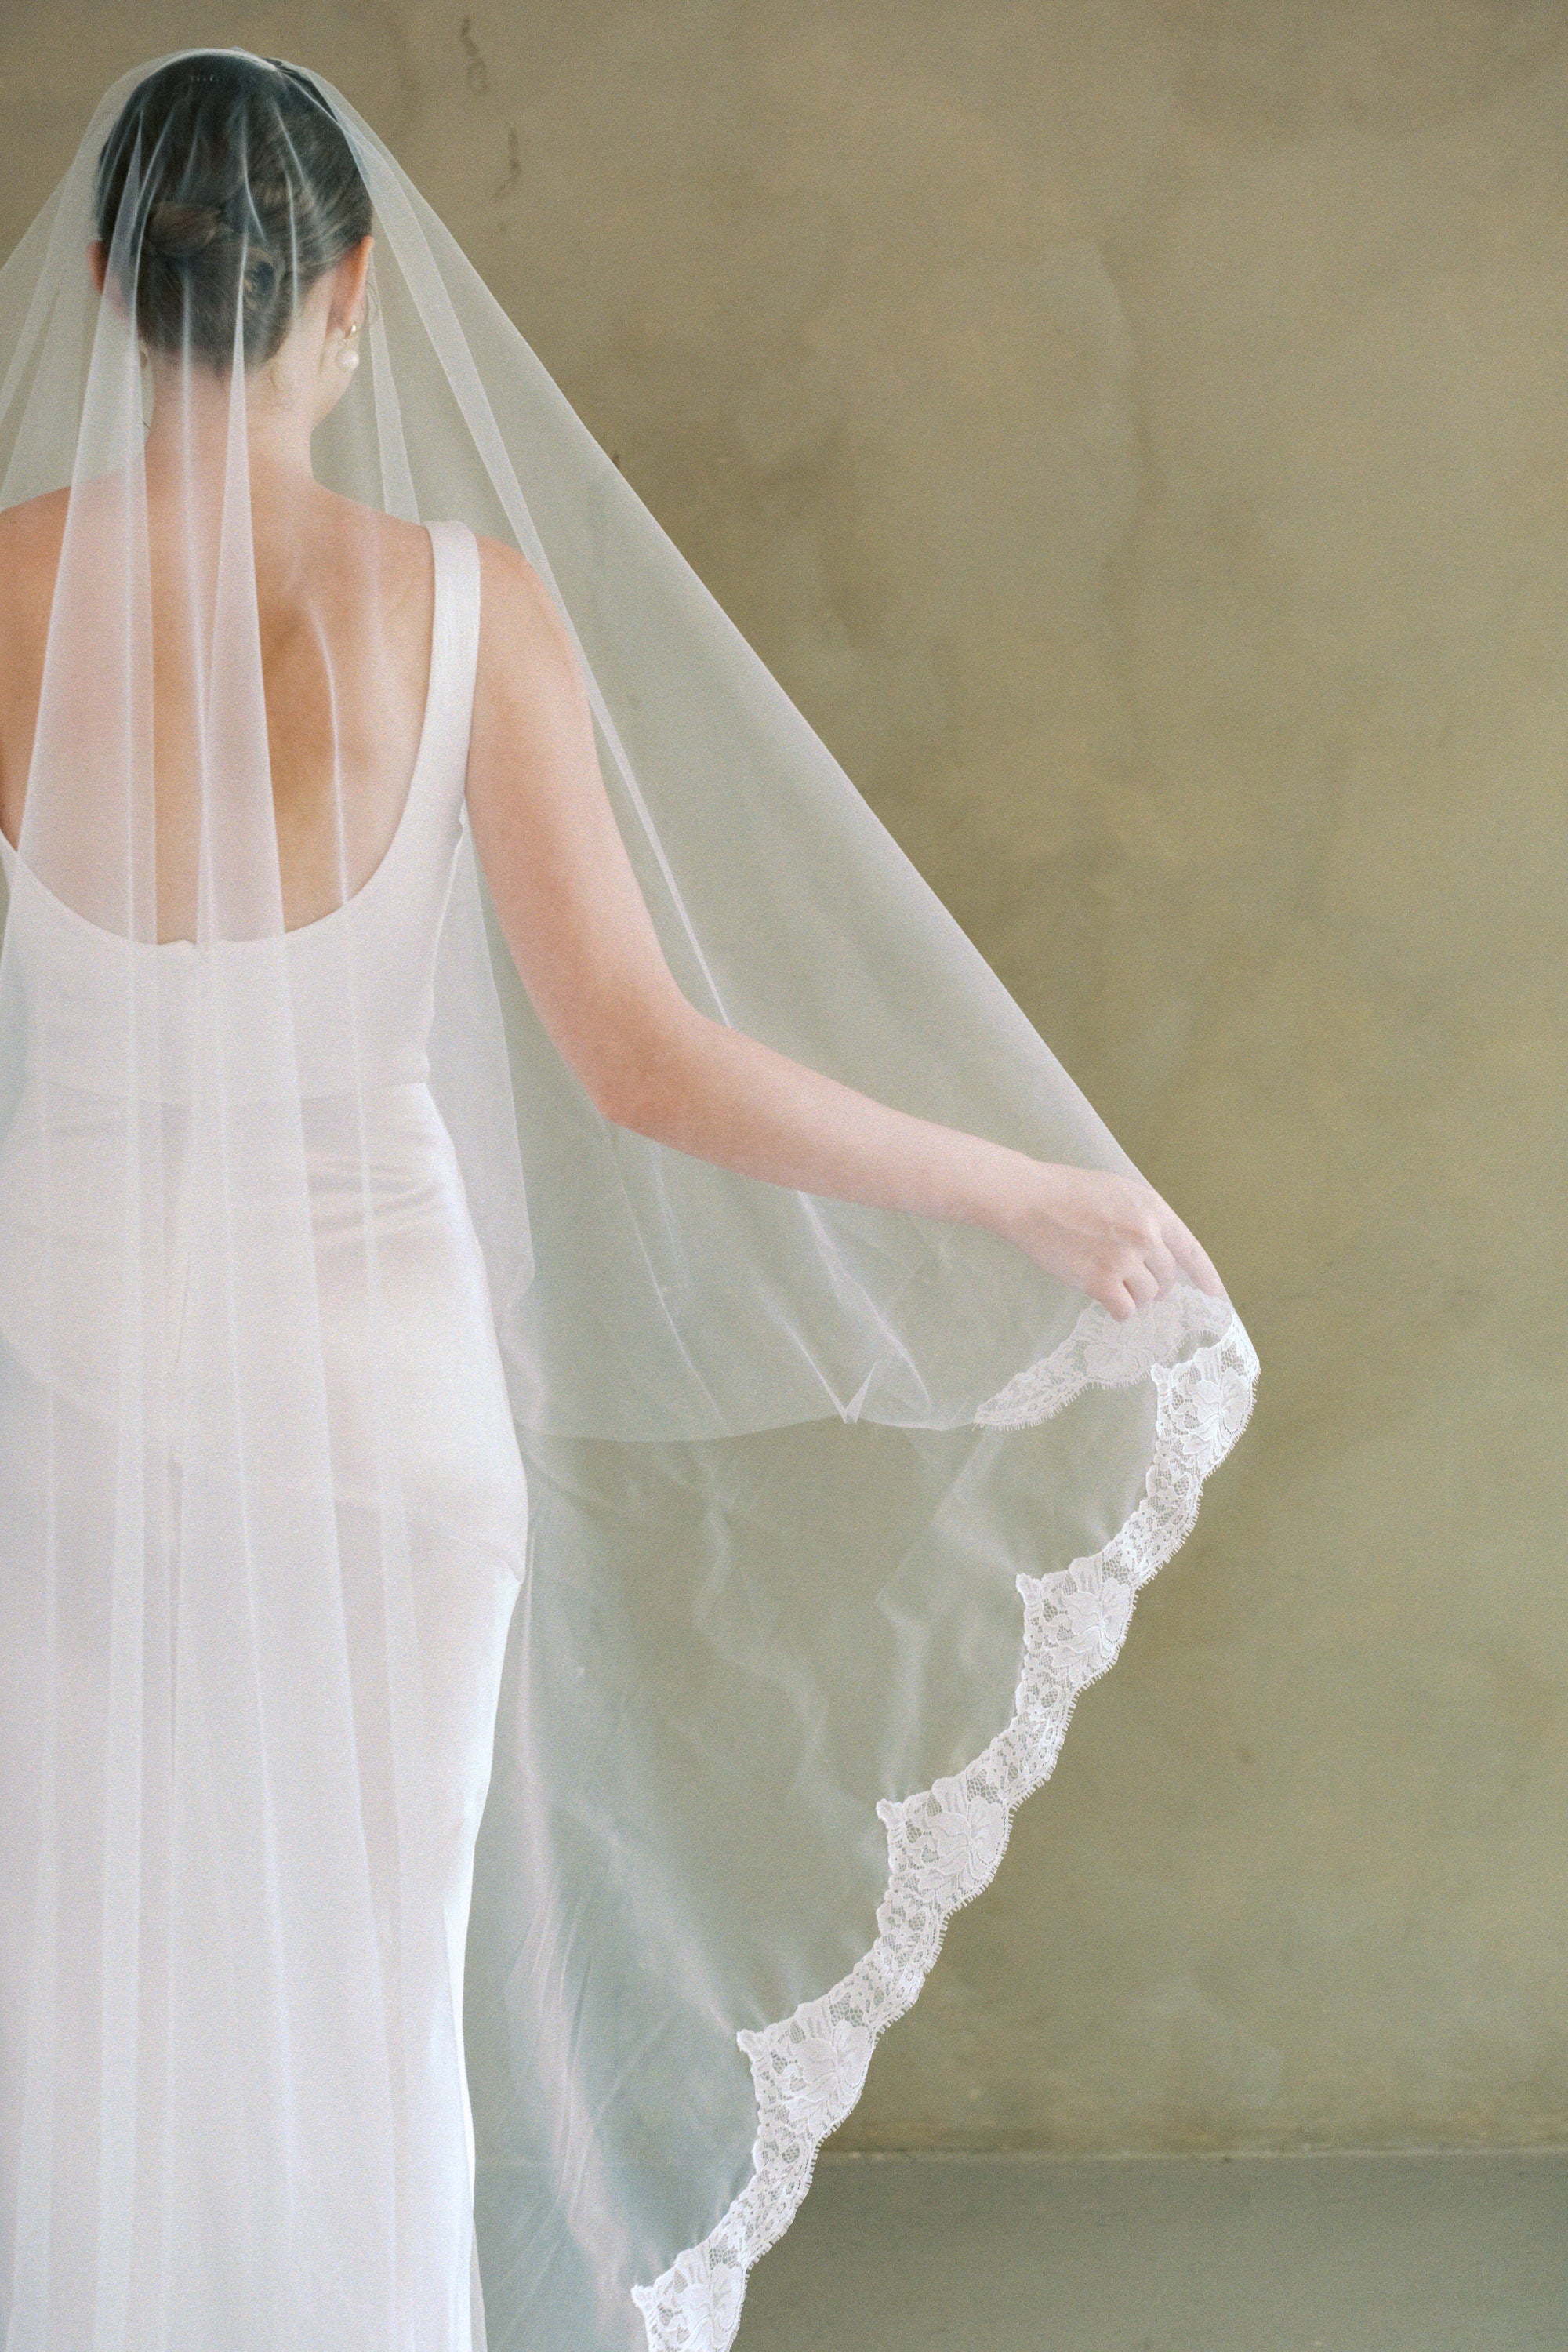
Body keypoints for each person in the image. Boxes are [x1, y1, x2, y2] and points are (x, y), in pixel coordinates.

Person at [0, 46, 1257, 2352]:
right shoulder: (458, 608)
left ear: (96, 275)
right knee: (367, 2014)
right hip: (369, 1418)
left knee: (72, 1999)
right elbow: (647, 1065)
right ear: (353, 291)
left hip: (54, 1396)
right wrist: (1027, 1191)